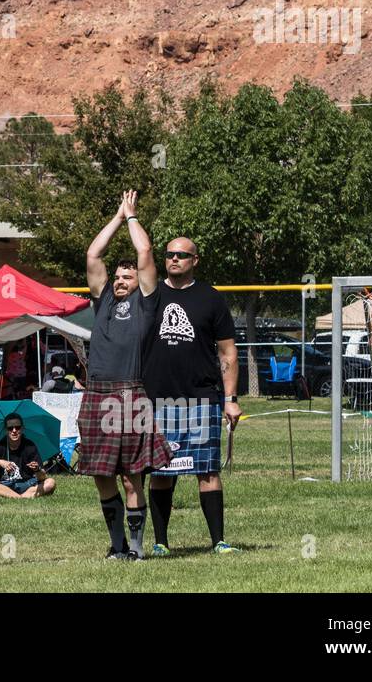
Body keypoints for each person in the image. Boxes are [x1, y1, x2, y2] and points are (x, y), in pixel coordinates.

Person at [81, 191, 174, 560]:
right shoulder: (104, 298)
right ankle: (117, 544)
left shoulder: (147, 302)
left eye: (126, 276)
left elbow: (146, 254)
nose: (120, 281)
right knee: (101, 474)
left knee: (131, 475)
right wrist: (117, 217)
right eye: (117, 276)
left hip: (129, 393)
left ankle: (135, 549)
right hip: (96, 392)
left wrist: (133, 217)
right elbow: (92, 255)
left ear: (139, 280)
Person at [142, 236, 241, 555]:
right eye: (169, 254)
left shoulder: (211, 299)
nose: (174, 259)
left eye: (182, 255)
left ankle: (219, 542)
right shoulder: (151, 295)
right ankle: (160, 543)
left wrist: (230, 398)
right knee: (160, 473)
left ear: (195, 260)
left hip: (201, 398)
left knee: (208, 471)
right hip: (157, 399)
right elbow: (143, 257)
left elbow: (227, 353)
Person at [0, 414, 55, 498]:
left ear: (22, 428)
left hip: (27, 484)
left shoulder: (29, 446)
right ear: (6, 430)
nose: (14, 430)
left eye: (17, 427)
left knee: (50, 482)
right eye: (10, 428)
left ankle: (15, 496)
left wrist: (37, 470)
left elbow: (42, 477)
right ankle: (21, 498)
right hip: (4, 485)